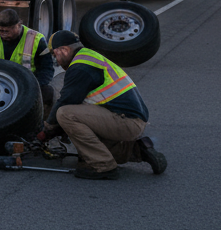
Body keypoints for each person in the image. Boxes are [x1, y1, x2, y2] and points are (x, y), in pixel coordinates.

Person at [39, 29, 167, 179]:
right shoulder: (90, 57)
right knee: (87, 149)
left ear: (64, 50)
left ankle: (103, 166)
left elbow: (66, 101)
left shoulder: (80, 67)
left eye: (55, 55)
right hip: (129, 119)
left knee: (65, 114)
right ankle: (137, 150)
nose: (57, 61)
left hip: (126, 121)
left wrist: (47, 130)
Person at [0, 8, 56, 118]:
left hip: (25, 84)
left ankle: (42, 127)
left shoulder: (36, 39)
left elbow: (47, 68)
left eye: (7, 31)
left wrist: (35, 86)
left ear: (19, 24)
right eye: (1, 30)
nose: (3, 35)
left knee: (47, 93)